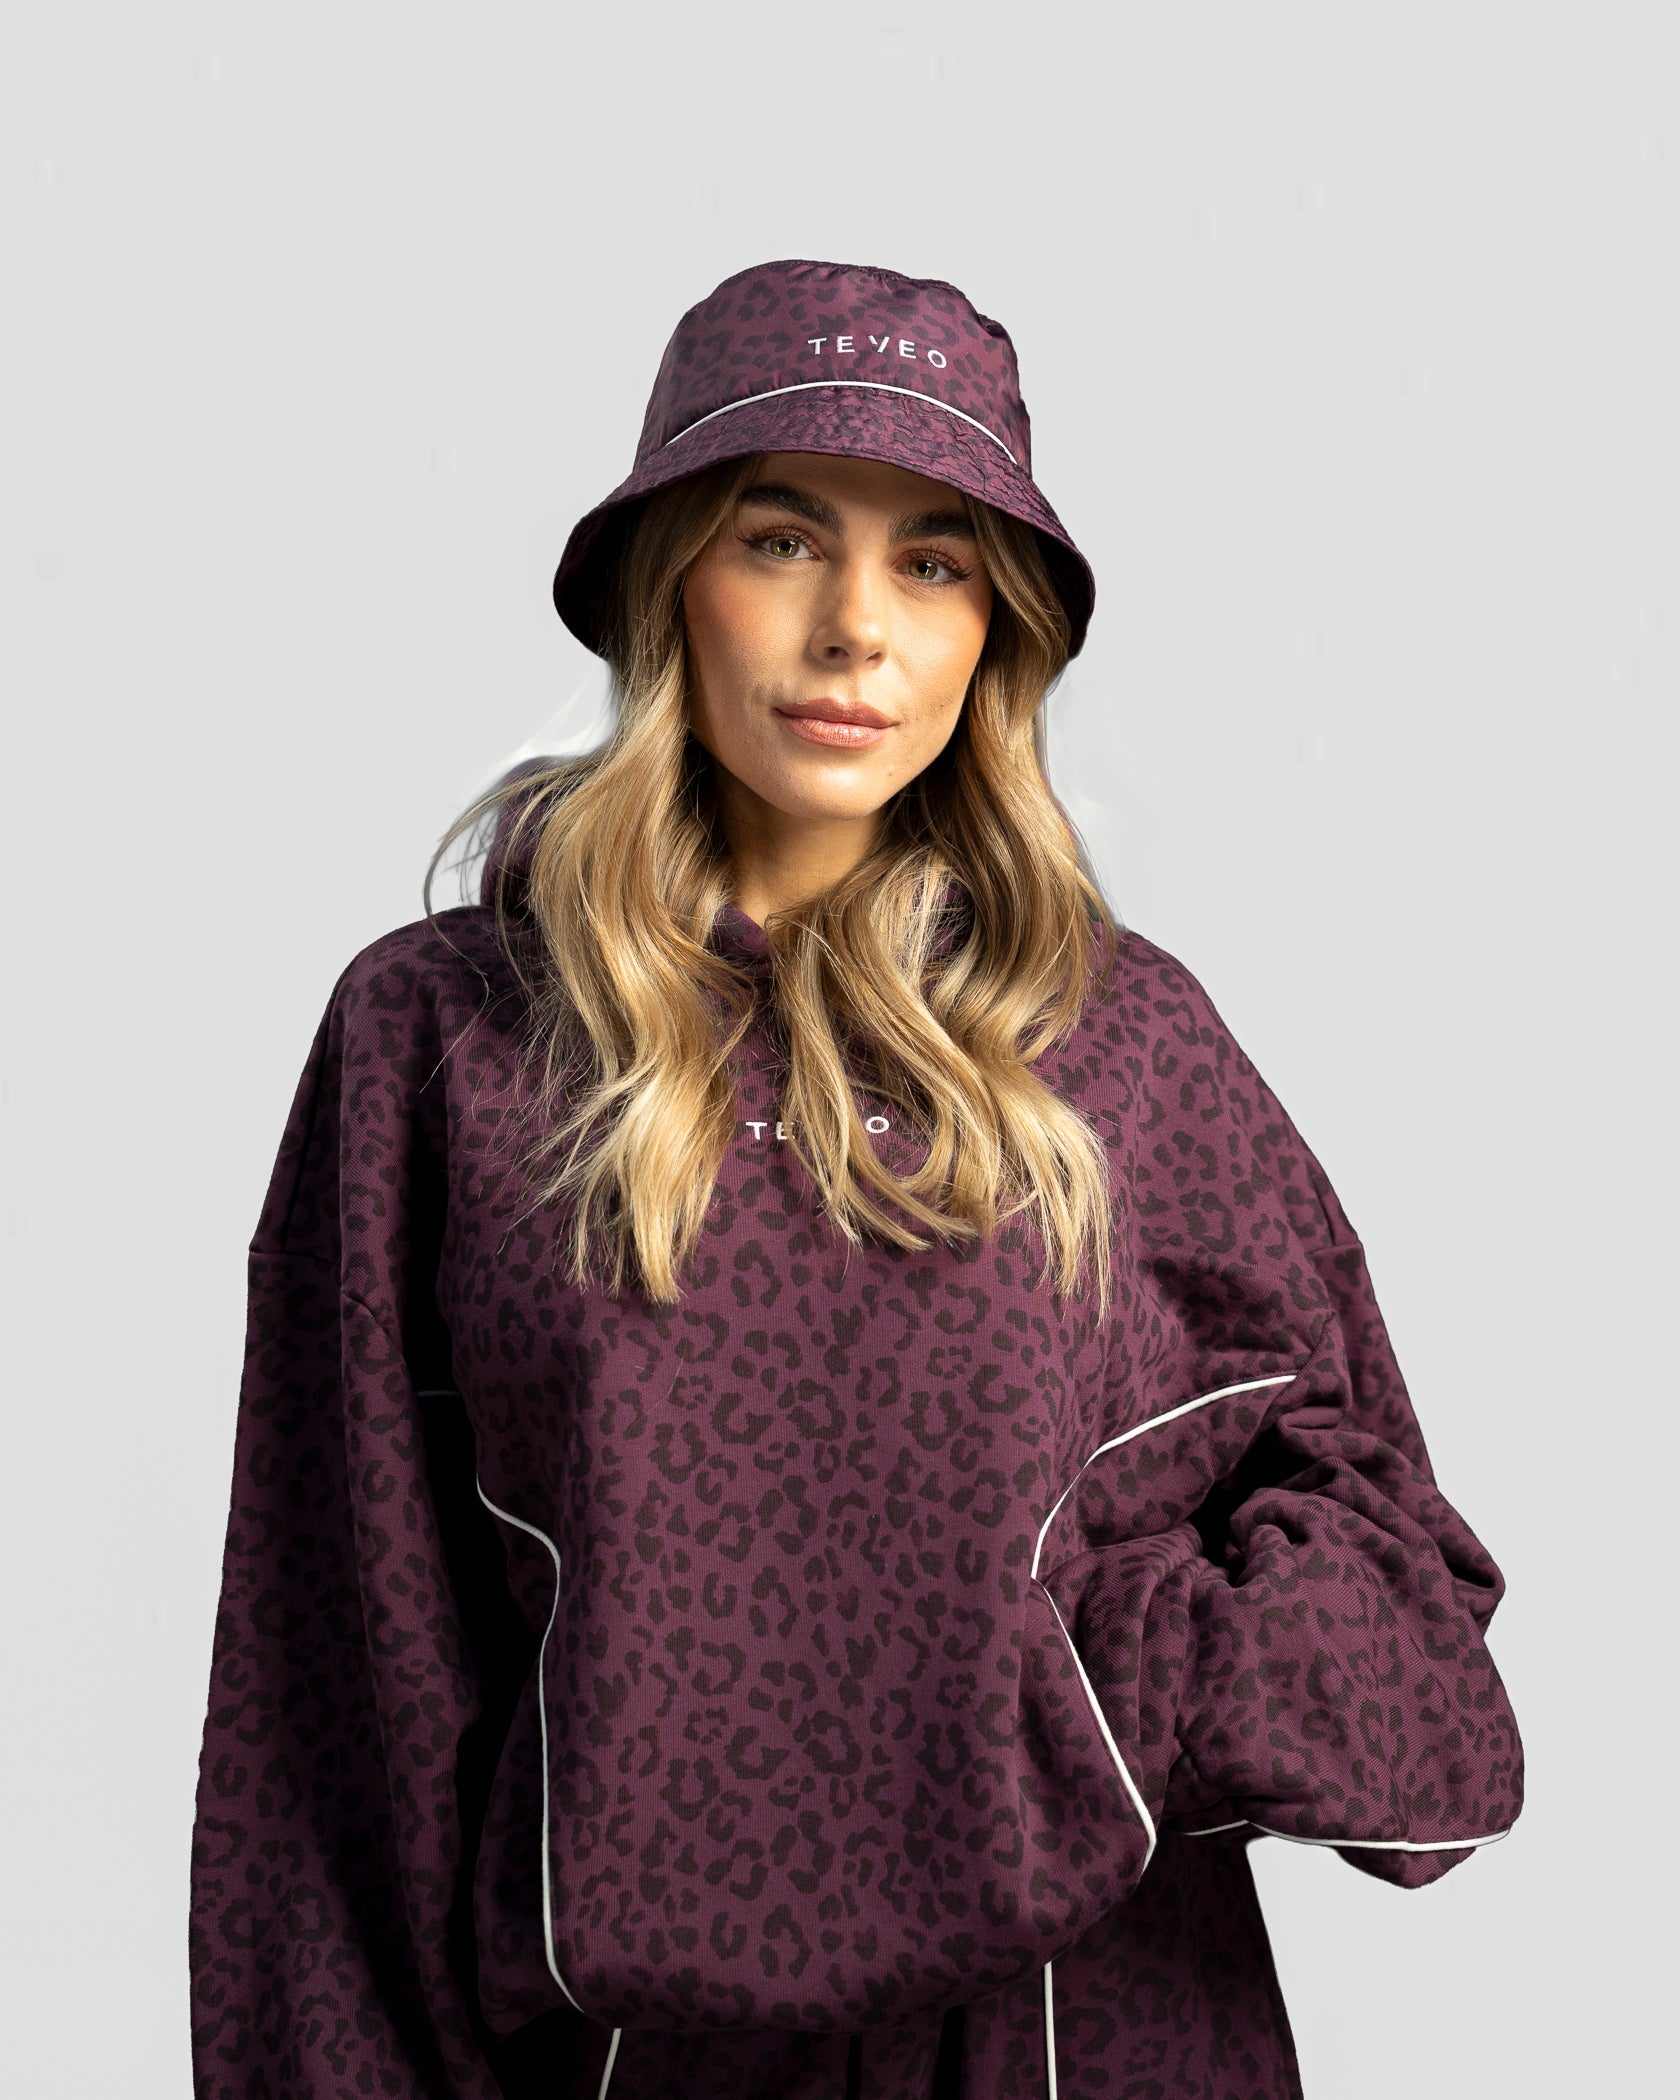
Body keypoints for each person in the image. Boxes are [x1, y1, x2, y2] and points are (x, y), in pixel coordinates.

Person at [189, 259, 1523, 2100]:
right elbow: (332, 1719)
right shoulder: (442, 1039)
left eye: (935, 561)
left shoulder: (1121, 1041)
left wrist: (1137, 1684)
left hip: (1089, 2046)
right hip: (635, 2066)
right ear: (670, 579)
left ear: (998, 632)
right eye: (781, 539)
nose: (856, 631)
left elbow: (1405, 1617)